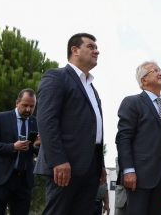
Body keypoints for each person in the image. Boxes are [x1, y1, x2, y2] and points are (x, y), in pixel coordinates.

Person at [35, 33, 107, 215]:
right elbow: (46, 120)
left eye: (96, 47)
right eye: (91, 47)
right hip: (65, 164)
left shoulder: (92, 88)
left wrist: (101, 165)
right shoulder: (56, 77)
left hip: (91, 166)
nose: (96, 51)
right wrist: (58, 160)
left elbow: (94, 128)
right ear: (74, 50)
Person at [115, 61, 161, 215]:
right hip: (139, 174)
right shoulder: (132, 102)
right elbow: (123, 138)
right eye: (155, 71)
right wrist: (128, 170)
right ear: (143, 80)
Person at [0, 89, 40, 215]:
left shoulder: (36, 122)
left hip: (25, 180)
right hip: (2, 179)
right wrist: (13, 147)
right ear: (17, 103)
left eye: (32, 106)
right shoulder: (1, 118)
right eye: (25, 105)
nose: (28, 110)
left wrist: (36, 146)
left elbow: (40, 153)